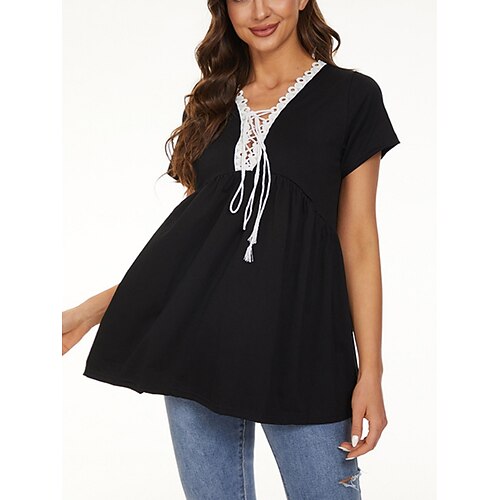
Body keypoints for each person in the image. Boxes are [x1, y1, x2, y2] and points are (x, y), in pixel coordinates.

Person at [63, 0, 400, 498]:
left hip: (306, 354)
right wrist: (91, 312)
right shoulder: (212, 103)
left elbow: (360, 242)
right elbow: (192, 249)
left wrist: (370, 371)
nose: (259, 11)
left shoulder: (352, 96)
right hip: (197, 351)